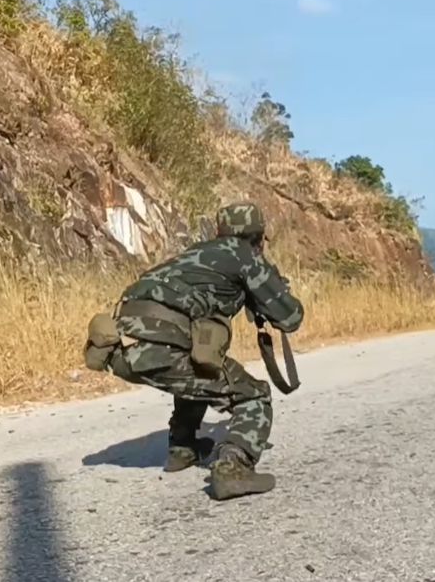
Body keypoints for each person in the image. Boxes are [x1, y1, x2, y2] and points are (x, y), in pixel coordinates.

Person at [84, 201, 304, 501]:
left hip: (117, 349)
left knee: (196, 370)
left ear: (219, 232)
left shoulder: (194, 254)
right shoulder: (245, 255)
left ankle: (182, 448)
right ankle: (232, 467)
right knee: (253, 395)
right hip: (161, 347)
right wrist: (276, 290)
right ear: (258, 237)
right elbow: (290, 318)